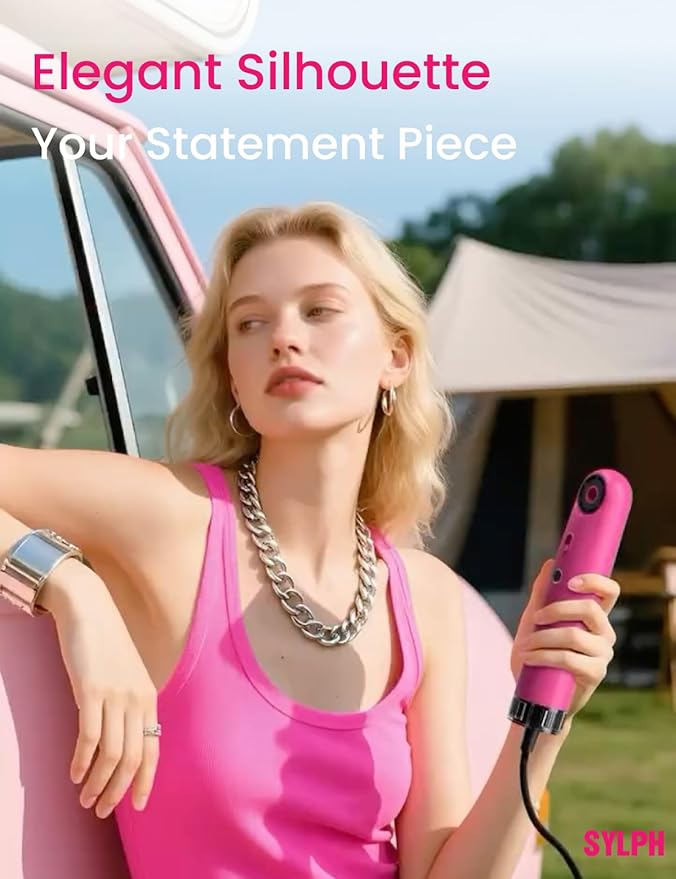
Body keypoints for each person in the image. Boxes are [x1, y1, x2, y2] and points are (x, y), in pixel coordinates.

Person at [0, 201, 618, 879]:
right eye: (250, 323)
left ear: (396, 356)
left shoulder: (425, 595)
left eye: (319, 310)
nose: (283, 338)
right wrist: (71, 588)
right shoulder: (171, 518)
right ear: (232, 373)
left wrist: (545, 720)